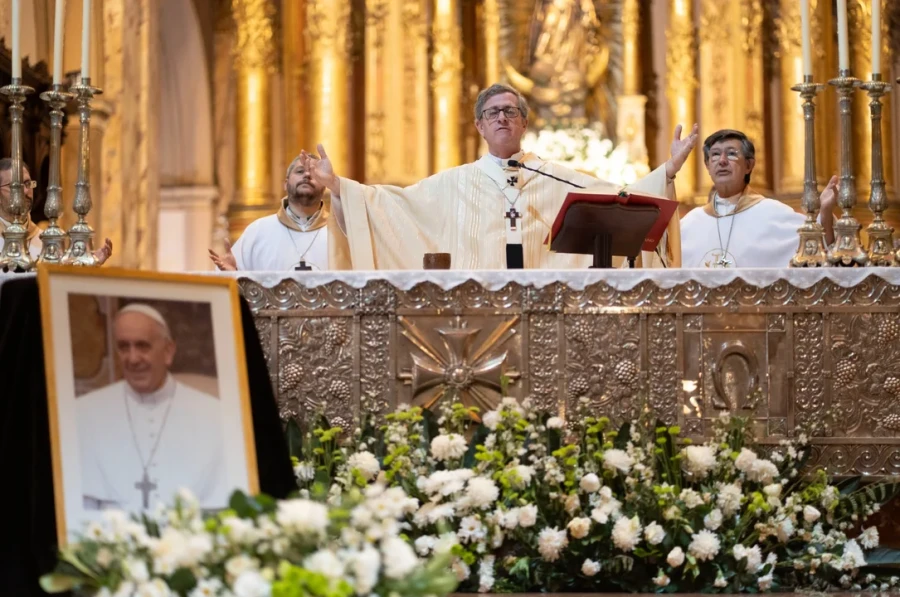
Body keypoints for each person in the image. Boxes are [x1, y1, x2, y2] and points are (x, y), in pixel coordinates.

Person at [300, 83, 698, 269]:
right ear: (480, 126)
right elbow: (392, 206)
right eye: (493, 113)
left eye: (511, 112)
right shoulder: (453, 182)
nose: (503, 118)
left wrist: (669, 169)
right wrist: (338, 187)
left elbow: (620, 198)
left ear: (524, 123)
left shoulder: (556, 177)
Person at [76, 304, 228, 512]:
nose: (133, 358)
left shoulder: (214, 415)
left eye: (142, 346)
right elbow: (81, 509)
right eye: (123, 346)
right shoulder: (85, 413)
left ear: (168, 351)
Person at [680, 129, 837, 268]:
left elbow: (820, 246)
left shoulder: (774, 214)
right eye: (714, 155)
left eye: (731, 154)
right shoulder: (689, 224)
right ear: (707, 166)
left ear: (749, 165)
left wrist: (826, 212)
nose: (722, 161)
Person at [208, 155, 349, 271]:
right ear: (286, 184)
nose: (307, 175)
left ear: (325, 186)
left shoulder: (341, 234)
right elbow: (233, 288)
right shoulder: (258, 231)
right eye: (300, 171)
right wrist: (234, 274)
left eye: (313, 173)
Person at [0, 158, 113, 263]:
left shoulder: (45, 241)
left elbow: (61, 281)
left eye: (27, 184)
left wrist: (89, 263)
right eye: (15, 186)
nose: (25, 191)